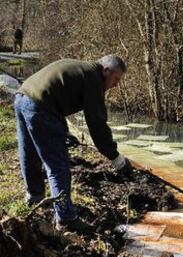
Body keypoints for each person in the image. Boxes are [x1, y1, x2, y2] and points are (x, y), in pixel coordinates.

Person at [14, 55, 133, 235]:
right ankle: (66, 219)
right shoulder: (94, 79)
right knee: (58, 165)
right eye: (116, 79)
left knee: (28, 152)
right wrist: (116, 158)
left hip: (22, 96)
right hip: (40, 106)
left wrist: (64, 130)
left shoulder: (82, 68)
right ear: (106, 70)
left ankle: (34, 197)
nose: (116, 84)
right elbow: (97, 125)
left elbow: (57, 93)